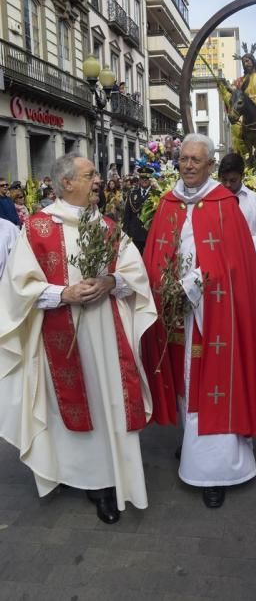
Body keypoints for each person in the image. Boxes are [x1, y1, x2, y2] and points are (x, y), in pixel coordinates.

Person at [0, 154, 157, 524]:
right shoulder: (37, 228)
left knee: (105, 404)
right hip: (59, 336)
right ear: (66, 182)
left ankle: (104, 482)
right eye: (90, 175)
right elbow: (18, 287)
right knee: (64, 408)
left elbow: (134, 273)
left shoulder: (106, 226)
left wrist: (110, 281)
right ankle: (73, 472)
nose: (98, 181)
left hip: (105, 335)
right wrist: (63, 295)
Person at [142, 134, 256, 509]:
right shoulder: (168, 203)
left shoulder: (226, 204)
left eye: (196, 160)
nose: (189, 165)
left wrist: (195, 282)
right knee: (187, 381)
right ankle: (192, 447)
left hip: (216, 311)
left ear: (210, 165)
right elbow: (156, 251)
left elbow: (237, 261)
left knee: (216, 382)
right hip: (179, 313)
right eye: (184, 159)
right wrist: (163, 284)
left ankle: (217, 471)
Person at [218, 152, 256, 308]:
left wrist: (235, 249)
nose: (228, 185)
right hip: (218, 268)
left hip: (247, 268)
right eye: (224, 180)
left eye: (233, 180)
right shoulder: (211, 201)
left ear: (242, 176)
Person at [122, 167, 152, 255]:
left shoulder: (156, 194)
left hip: (149, 233)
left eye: (147, 178)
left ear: (150, 180)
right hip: (134, 233)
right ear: (139, 180)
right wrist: (125, 230)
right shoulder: (132, 193)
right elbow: (127, 214)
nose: (144, 180)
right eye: (142, 178)